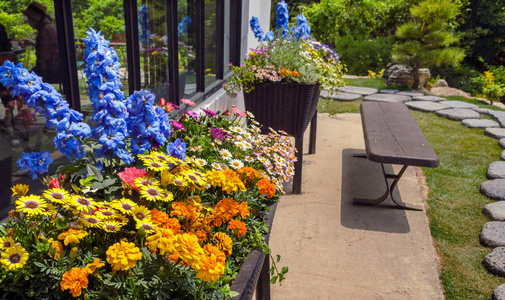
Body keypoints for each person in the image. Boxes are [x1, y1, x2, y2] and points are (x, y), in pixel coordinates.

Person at [20, 1, 63, 84]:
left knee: (19, 78)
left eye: (29, 18)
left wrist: (32, 74)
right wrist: (33, 42)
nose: (28, 21)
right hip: (54, 70)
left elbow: (44, 59)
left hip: (52, 72)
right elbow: (47, 47)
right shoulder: (48, 28)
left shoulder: (45, 31)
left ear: (34, 19)